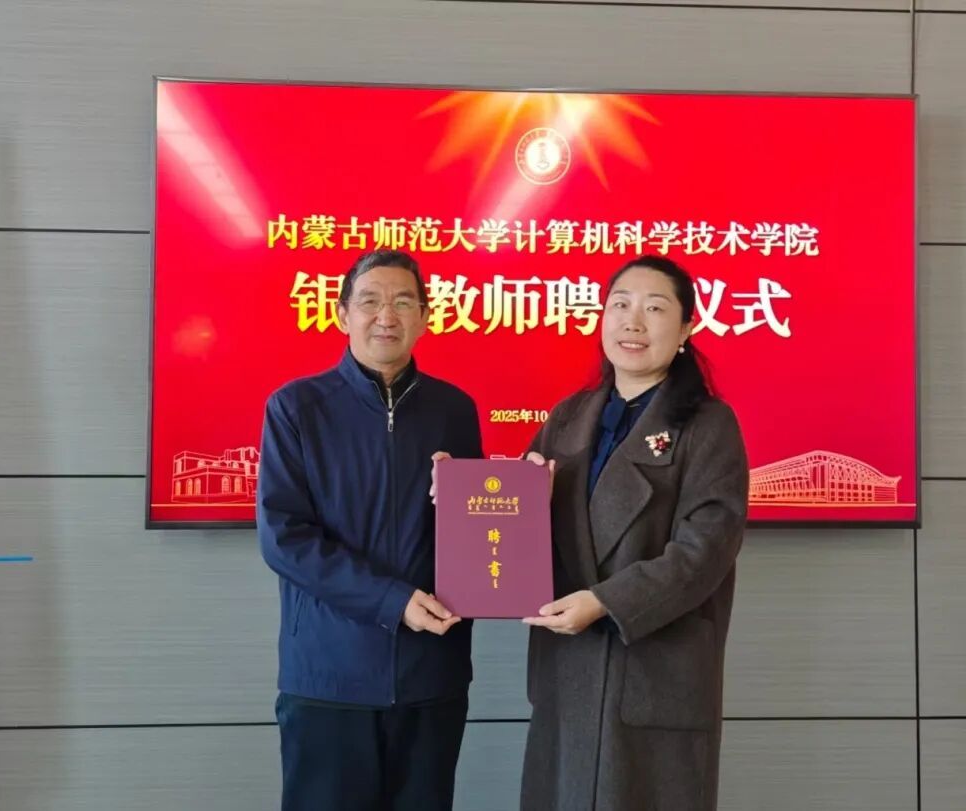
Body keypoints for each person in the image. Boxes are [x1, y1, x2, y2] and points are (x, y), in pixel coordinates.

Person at [519, 255, 750, 811]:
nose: (633, 322)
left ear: (687, 328)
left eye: (655, 308)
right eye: (620, 305)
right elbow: (519, 524)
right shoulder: (568, 417)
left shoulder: (708, 425)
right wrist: (469, 497)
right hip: (568, 669)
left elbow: (704, 551)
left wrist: (606, 601)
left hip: (653, 668)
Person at [258, 249, 483, 811]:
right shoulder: (297, 407)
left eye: (404, 302)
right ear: (341, 314)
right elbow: (285, 537)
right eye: (370, 301)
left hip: (431, 674)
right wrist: (392, 599)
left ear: (425, 317)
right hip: (329, 675)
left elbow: (480, 531)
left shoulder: (454, 409)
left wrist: (484, 499)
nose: (387, 315)